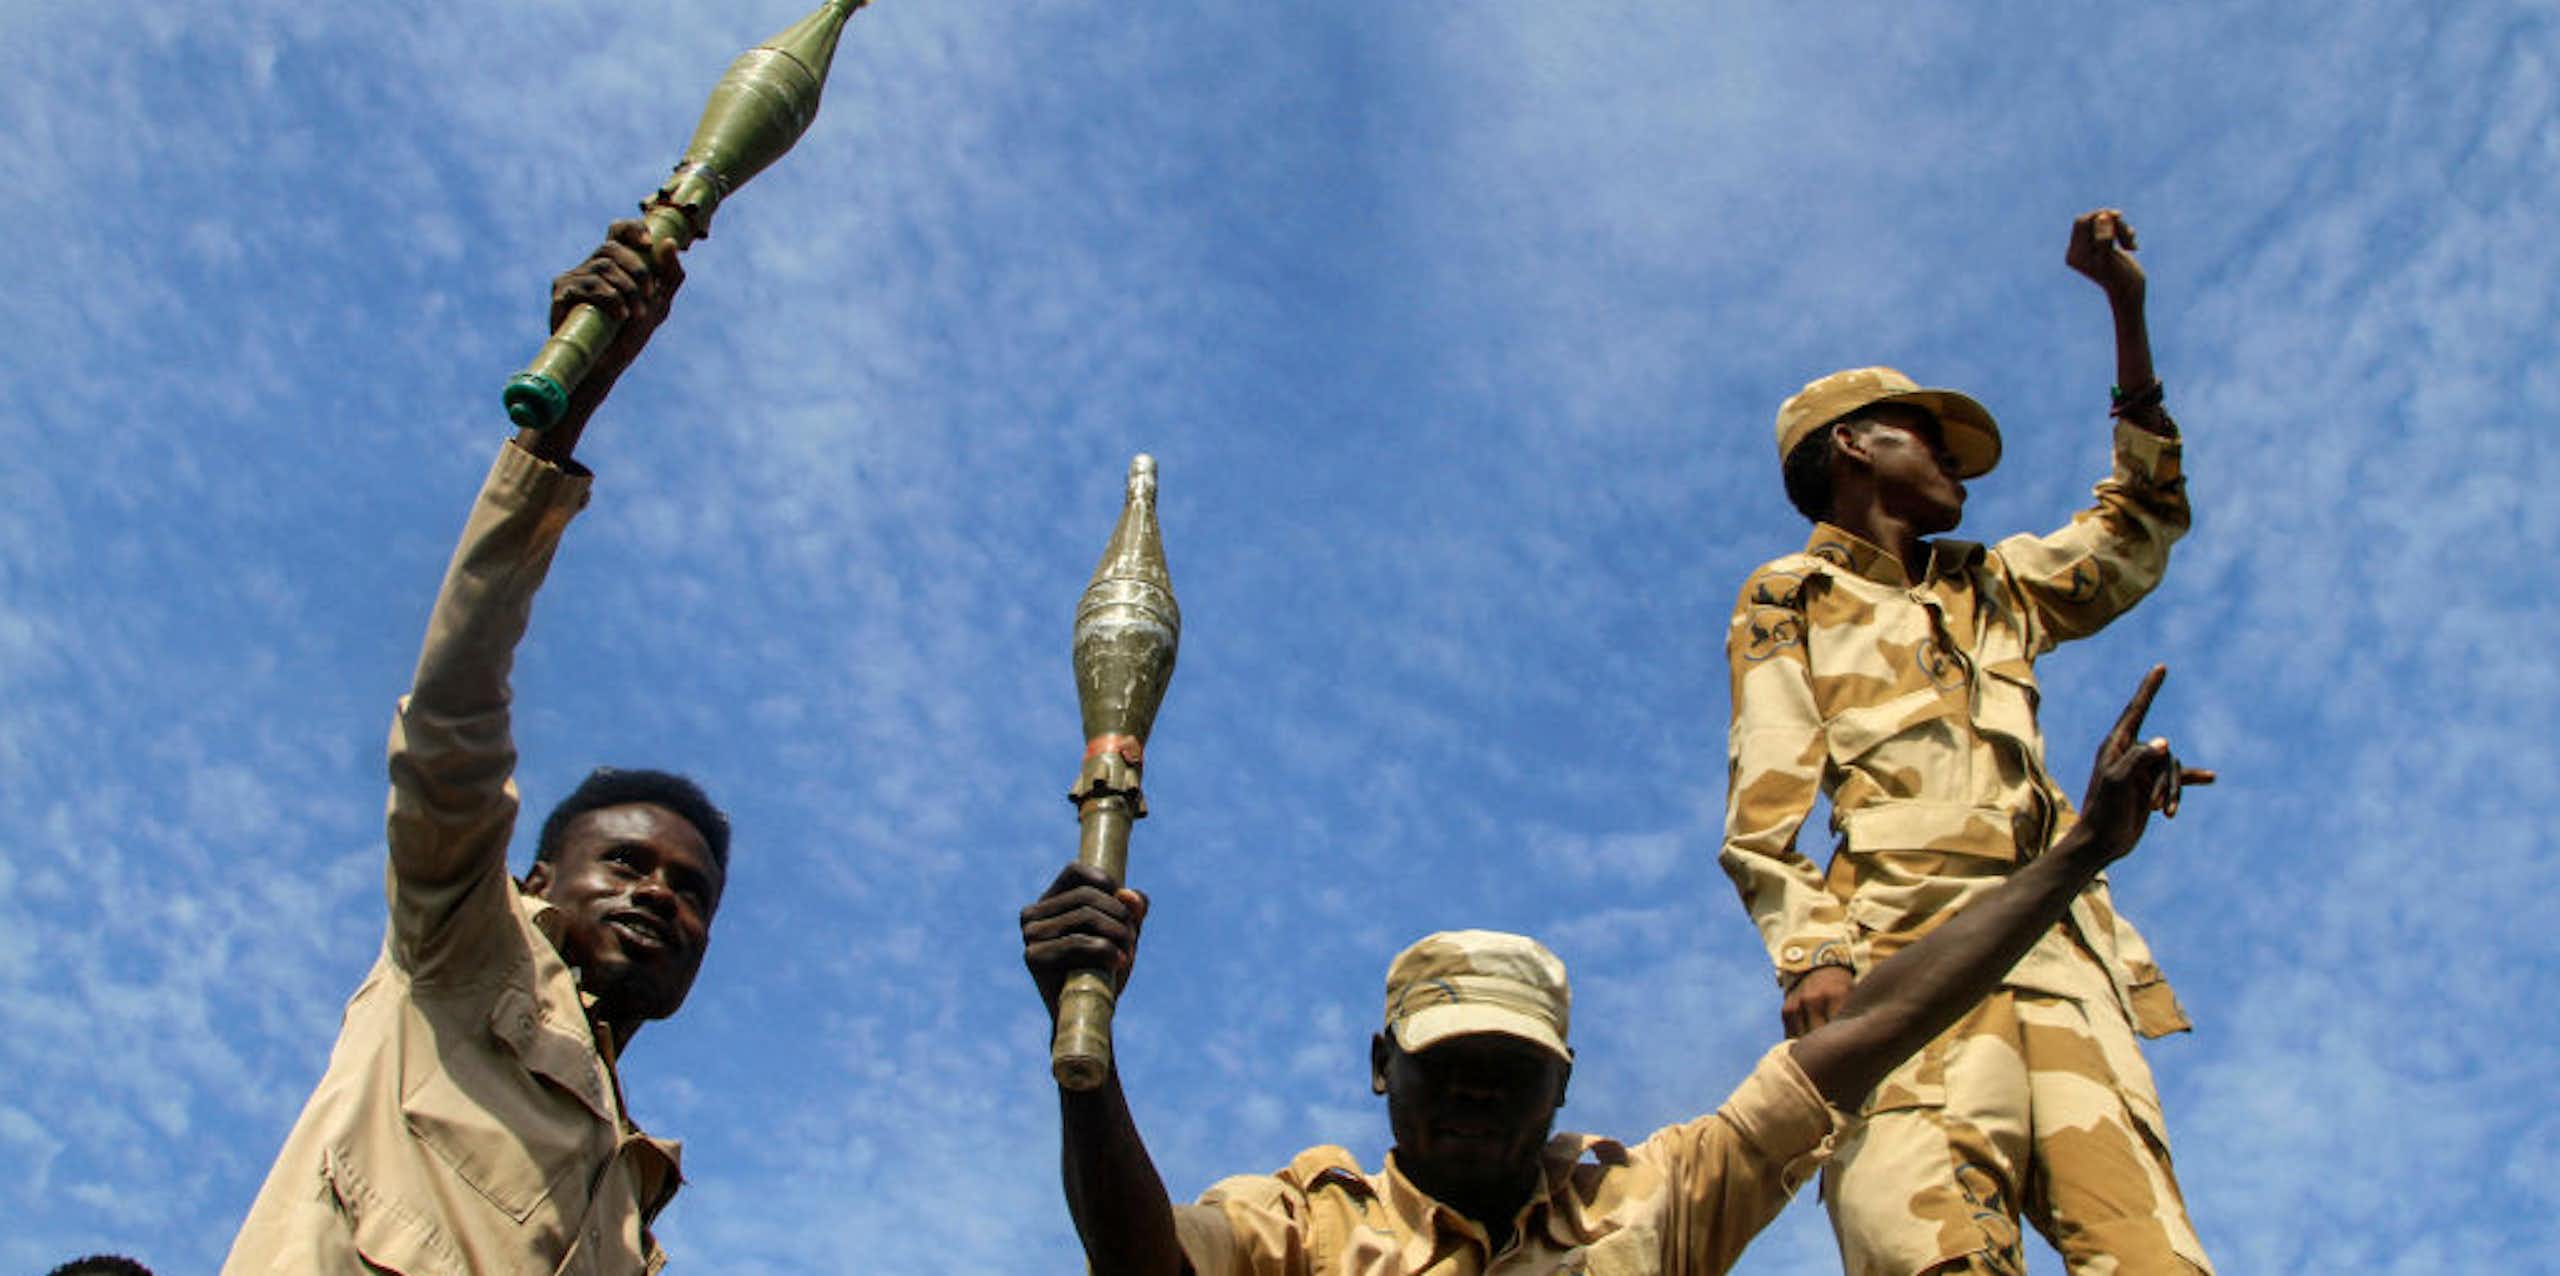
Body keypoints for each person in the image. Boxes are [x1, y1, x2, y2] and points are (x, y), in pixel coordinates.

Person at [1023, 668, 2210, 1276]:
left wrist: (2071, 862)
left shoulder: (1653, 1202)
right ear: (1382, 1071)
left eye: (1511, 1069)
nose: (1481, 1096)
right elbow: (1144, 1267)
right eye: (1451, 1067)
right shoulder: (1294, 1227)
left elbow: (1877, 1026)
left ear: (1564, 1082)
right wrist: (1089, 1071)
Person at [224, 221, 723, 1274]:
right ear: (536, 878)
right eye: (626, 862)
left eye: (689, 891)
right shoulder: (461, 946)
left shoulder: (632, 1211)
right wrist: (553, 436)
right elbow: (455, 710)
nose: (658, 896)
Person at [1719, 209, 2210, 1273]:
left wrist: (2128, 317)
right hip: (1910, 962)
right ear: (1850, 443)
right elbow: (1763, 813)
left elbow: (2136, 525)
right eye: (1923, 435)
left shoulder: (1992, 588)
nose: (1956, 463)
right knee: (1929, 1252)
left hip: (2067, 959)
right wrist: (1812, 954)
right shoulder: (1792, 598)